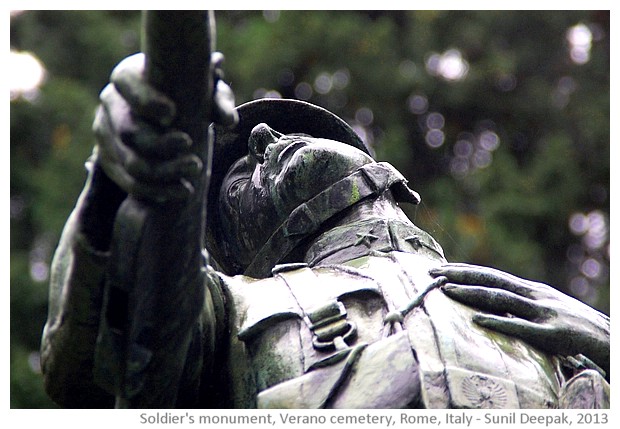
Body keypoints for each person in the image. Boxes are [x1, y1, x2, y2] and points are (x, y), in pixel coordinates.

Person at [40, 52, 610, 409]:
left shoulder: (548, 317)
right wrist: (121, 187)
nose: (263, 134)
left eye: (301, 130)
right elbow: (92, 361)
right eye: (239, 179)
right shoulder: (229, 311)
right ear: (240, 251)